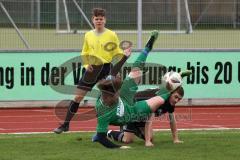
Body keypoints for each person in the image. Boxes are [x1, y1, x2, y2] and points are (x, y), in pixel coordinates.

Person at [92, 30, 184, 149]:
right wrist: (119, 148)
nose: (117, 93)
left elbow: (114, 73)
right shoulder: (102, 112)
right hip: (130, 113)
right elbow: (101, 138)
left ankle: (147, 47)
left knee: (135, 72)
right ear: (110, 95)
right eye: (116, 93)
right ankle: (123, 132)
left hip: (125, 98)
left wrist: (124, 57)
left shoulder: (112, 89)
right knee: (160, 101)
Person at [54, 8, 127, 134]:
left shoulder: (112, 35)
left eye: (101, 19)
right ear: (92, 20)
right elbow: (85, 52)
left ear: (105, 20)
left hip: (106, 69)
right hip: (92, 69)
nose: (99, 21)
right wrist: (86, 64)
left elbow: (117, 53)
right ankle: (65, 125)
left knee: (114, 98)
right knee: (77, 97)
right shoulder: (88, 35)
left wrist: (119, 64)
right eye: (96, 19)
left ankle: (124, 125)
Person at [106, 85, 185, 147]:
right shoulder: (160, 100)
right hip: (131, 109)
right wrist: (147, 142)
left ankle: (132, 128)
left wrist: (176, 139)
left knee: (150, 137)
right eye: (176, 97)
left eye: (179, 99)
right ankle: (108, 132)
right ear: (171, 93)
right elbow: (149, 121)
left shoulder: (170, 102)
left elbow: (172, 121)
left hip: (142, 114)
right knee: (127, 140)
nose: (176, 100)